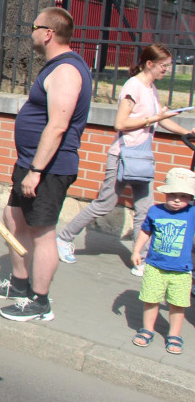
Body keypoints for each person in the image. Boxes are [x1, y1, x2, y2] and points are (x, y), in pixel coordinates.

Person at [0, 7, 92, 322]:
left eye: (34, 27)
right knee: (14, 218)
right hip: (32, 163)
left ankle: (40, 301)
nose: (30, 32)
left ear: (48, 33)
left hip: (49, 168)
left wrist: (36, 171)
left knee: (43, 232)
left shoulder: (67, 71)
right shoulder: (56, 67)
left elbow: (57, 126)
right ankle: (19, 285)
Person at [57, 44, 194, 268]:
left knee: (145, 208)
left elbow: (159, 118)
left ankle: (141, 258)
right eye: (164, 66)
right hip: (123, 156)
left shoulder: (150, 88)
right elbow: (120, 123)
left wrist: (186, 131)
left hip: (142, 158)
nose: (167, 70)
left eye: (168, 66)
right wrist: (151, 119)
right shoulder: (134, 86)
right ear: (149, 64)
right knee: (104, 204)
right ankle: (63, 238)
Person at [130, 168, 195, 355]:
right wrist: (136, 250)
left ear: (190, 197)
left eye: (183, 196)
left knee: (178, 304)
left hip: (181, 271)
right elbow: (145, 231)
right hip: (154, 267)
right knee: (150, 300)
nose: (177, 199)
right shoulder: (155, 211)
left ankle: (174, 334)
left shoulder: (192, 213)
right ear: (165, 192)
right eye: (173, 194)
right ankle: (147, 329)